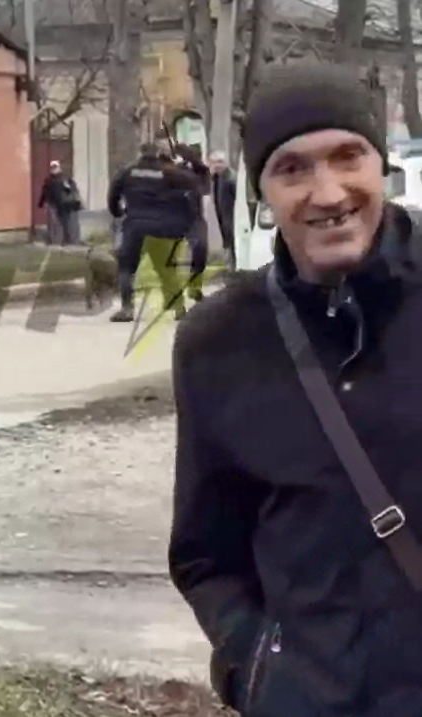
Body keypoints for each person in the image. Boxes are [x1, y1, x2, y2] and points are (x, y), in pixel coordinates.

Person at [169, 62, 422, 717]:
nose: (328, 192)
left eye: (348, 157)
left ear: (382, 165)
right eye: (292, 169)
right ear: (262, 193)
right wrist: (255, 668)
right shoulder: (218, 340)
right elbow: (205, 553)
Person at [107, 140, 200, 323]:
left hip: (135, 225)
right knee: (166, 269)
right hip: (161, 226)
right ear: (158, 153)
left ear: (140, 152)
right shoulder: (168, 172)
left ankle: (127, 308)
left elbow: (113, 195)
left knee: (126, 268)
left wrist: (117, 212)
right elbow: (191, 184)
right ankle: (178, 307)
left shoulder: (128, 171)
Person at [175, 143, 210, 302]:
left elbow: (205, 181)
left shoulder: (199, 172)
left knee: (200, 250)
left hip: (195, 217)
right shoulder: (172, 171)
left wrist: (190, 159)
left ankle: (194, 287)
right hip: (174, 216)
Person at [38, 160, 84, 246]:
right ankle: (57, 241)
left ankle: (71, 241)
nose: (54, 169)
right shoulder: (49, 180)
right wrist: (41, 203)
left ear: (59, 168)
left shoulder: (66, 179)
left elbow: (73, 191)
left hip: (67, 205)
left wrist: (75, 201)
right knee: (56, 224)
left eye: (55, 167)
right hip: (54, 204)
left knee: (69, 224)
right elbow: (44, 192)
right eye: (52, 168)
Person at [209, 150, 237, 270]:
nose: (217, 165)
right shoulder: (216, 178)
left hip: (232, 216)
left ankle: (234, 266)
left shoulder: (231, 178)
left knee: (233, 242)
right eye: (214, 162)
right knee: (227, 241)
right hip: (222, 216)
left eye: (220, 162)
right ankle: (230, 265)